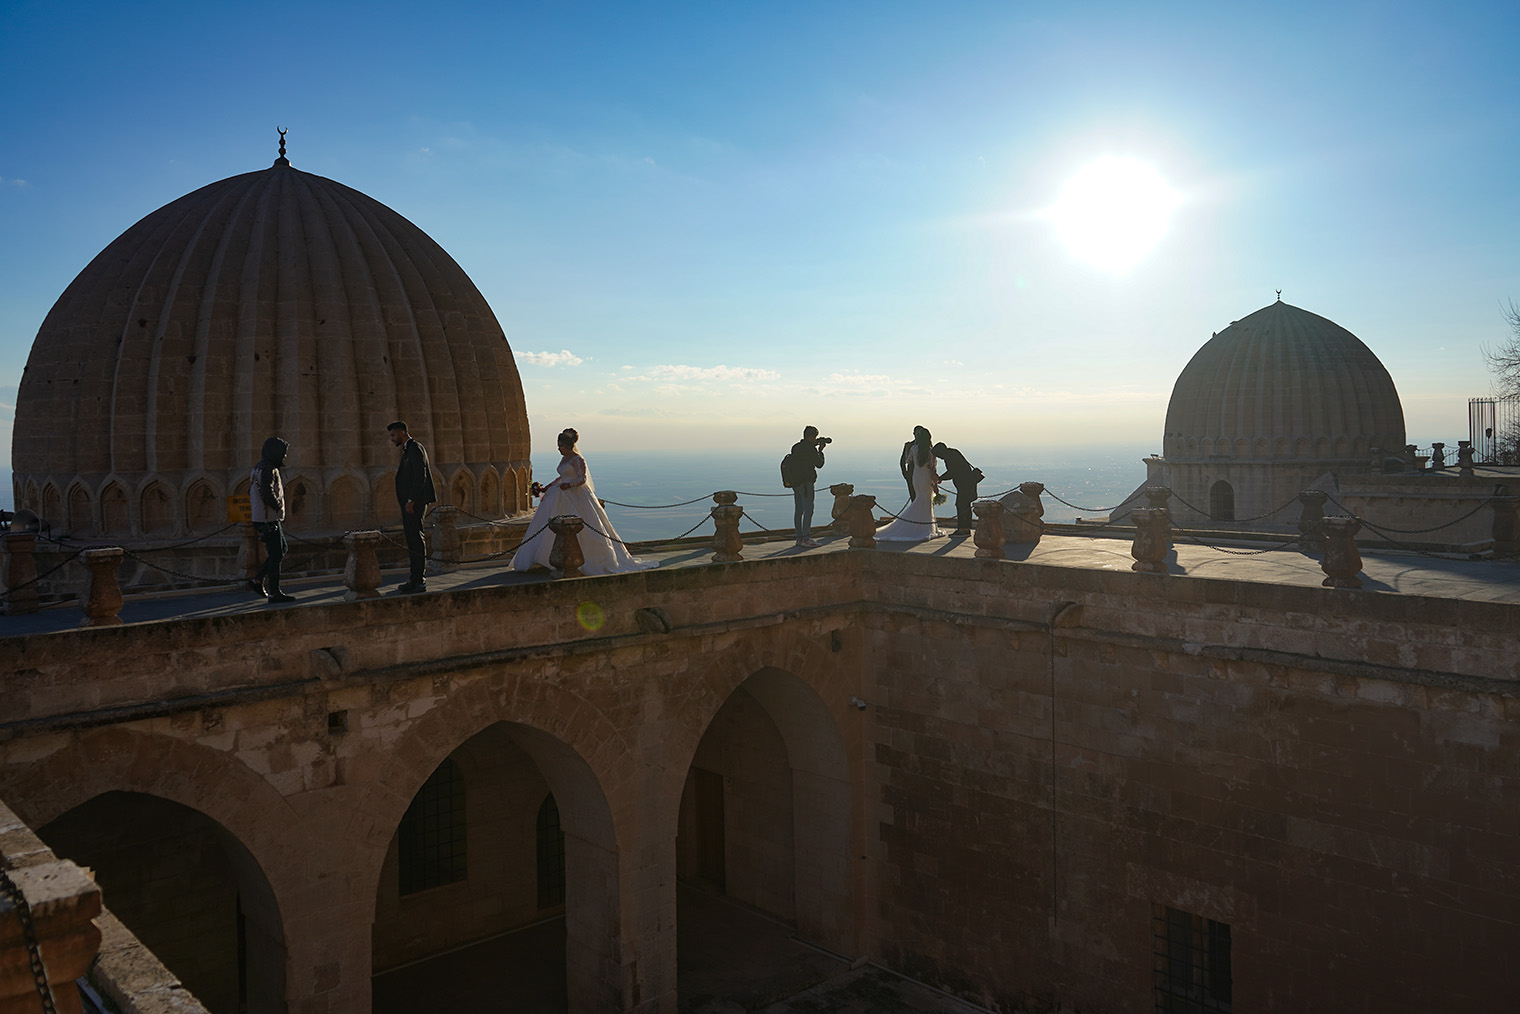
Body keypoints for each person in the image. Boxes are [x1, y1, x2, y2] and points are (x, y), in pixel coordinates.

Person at [513, 427, 654, 575]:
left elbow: (582, 479)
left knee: (587, 527)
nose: (559, 449)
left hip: (577, 496)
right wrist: (547, 488)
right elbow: (561, 477)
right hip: (560, 493)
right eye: (558, 446)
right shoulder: (564, 459)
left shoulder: (577, 459)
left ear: (568, 446)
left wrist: (569, 485)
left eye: (561, 446)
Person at [388, 421, 437, 593]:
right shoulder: (408, 449)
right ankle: (414, 578)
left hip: (413, 503)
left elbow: (420, 476)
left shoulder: (415, 448)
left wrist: (411, 500)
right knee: (412, 539)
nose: (392, 439)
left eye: (393, 435)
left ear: (402, 433)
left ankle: (419, 580)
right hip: (409, 503)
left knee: (416, 538)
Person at [875, 425, 943, 542]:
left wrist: (908, 452)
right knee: (925, 501)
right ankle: (924, 527)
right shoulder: (931, 452)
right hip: (925, 477)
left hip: (916, 477)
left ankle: (918, 525)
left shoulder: (913, 449)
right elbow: (932, 469)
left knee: (919, 499)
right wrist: (935, 484)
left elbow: (908, 460)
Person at [248, 436, 296, 604]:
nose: (284, 457)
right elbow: (267, 492)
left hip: (265, 517)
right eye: (283, 453)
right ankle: (274, 591)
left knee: (281, 549)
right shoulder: (268, 468)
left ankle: (258, 580)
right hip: (268, 519)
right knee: (276, 553)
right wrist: (276, 505)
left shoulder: (260, 467)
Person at [933, 441, 984, 538]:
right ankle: (966, 529)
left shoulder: (949, 457)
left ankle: (962, 530)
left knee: (961, 505)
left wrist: (940, 478)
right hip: (968, 482)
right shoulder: (954, 452)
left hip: (964, 483)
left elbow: (952, 472)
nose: (939, 457)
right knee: (965, 506)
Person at [789, 425, 828, 547]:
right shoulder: (810, 449)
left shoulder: (795, 447)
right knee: (808, 510)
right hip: (807, 483)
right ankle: (806, 538)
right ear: (811, 437)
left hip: (796, 483)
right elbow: (819, 464)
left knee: (798, 510)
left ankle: (799, 537)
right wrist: (820, 451)